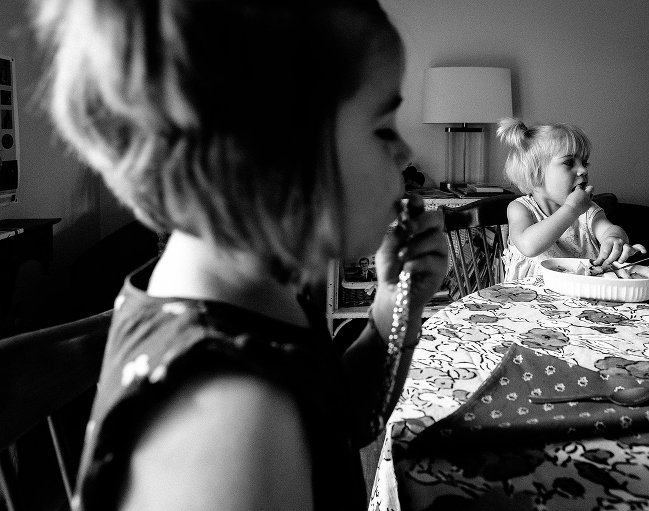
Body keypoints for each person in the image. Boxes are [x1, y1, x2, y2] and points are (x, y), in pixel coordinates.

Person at [33, 1, 448, 509]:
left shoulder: (253, 292)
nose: (405, 154)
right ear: (266, 157)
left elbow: (336, 416)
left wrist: (387, 310)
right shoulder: (231, 420)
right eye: (382, 129)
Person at [497, 117, 644, 281]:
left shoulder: (587, 209)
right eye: (568, 162)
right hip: (532, 300)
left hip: (582, 300)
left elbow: (608, 229)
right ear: (535, 173)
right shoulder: (521, 209)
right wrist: (571, 209)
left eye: (584, 163)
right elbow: (529, 246)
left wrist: (615, 239)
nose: (582, 170)